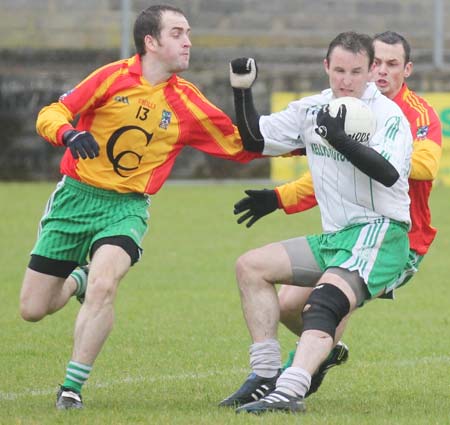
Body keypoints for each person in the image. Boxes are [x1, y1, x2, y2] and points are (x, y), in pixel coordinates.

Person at [19, 4, 263, 410]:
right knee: (33, 309)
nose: (188, 41)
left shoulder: (186, 100)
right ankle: (79, 279)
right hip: (75, 199)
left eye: (189, 33)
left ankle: (70, 390)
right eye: (177, 33)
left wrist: (306, 138)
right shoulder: (112, 77)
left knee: (105, 286)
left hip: (126, 207)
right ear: (151, 42)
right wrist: (68, 133)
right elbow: (53, 111)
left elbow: (242, 145)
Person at [233, 30, 443, 397]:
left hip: (397, 238)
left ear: (406, 69)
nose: (380, 72)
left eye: (390, 64)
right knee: (283, 302)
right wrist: (281, 196)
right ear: (328, 67)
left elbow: (415, 167)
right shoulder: (321, 108)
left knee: (326, 303)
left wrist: (347, 141)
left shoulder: (407, 115)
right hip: (340, 234)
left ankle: (292, 383)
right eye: (376, 63)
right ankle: (271, 372)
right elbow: (327, 176)